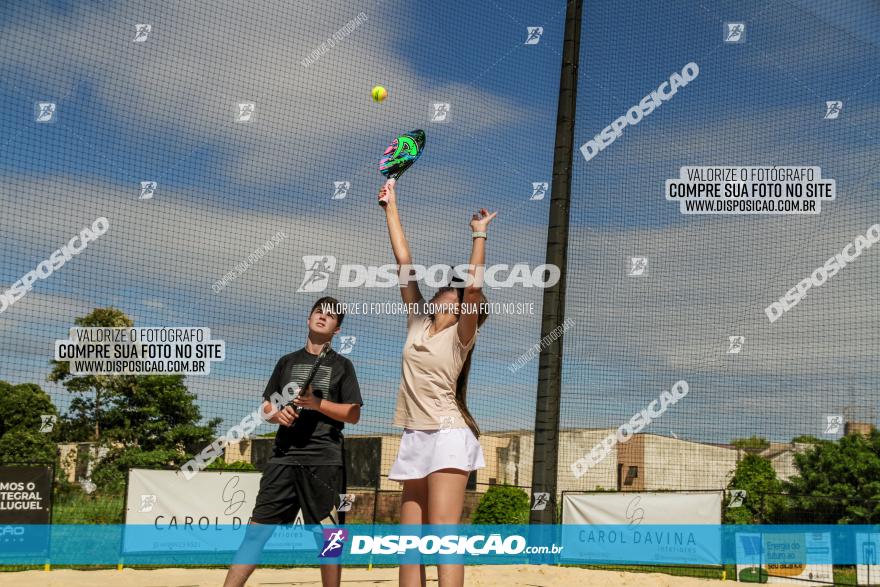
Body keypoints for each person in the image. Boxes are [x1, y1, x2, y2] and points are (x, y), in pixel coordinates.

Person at [379, 181, 495, 587]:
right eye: (443, 285)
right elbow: (403, 259)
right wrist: (391, 206)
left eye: (452, 287)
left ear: (463, 304)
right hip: (414, 434)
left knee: (444, 536)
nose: (444, 287)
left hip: (448, 433)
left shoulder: (462, 335)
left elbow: (476, 284)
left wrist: (478, 234)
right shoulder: (417, 322)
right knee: (409, 543)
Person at [224, 297, 362, 587]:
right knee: (256, 532)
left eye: (331, 316)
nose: (323, 317)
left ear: (337, 330)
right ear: (309, 318)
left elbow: (353, 414)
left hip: (325, 459)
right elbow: (266, 408)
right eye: (318, 311)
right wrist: (278, 415)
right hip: (284, 457)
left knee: (329, 538)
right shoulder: (286, 362)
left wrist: (316, 402)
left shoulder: (342, 366)